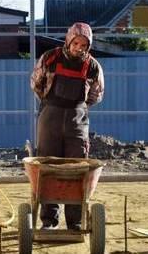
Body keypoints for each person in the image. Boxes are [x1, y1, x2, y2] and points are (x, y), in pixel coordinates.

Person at [29, 22, 104, 230]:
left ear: (88, 46)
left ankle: (75, 222)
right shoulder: (49, 58)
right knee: (48, 168)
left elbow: (96, 95)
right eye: (76, 42)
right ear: (69, 40)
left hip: (77, 120)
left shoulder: (92, 66)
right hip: (50, 117)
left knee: (77, 168)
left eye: (84, 45)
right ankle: (49, 221)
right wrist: (51, 105)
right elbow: (36, 83)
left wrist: (77, 108)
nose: (79, 47)